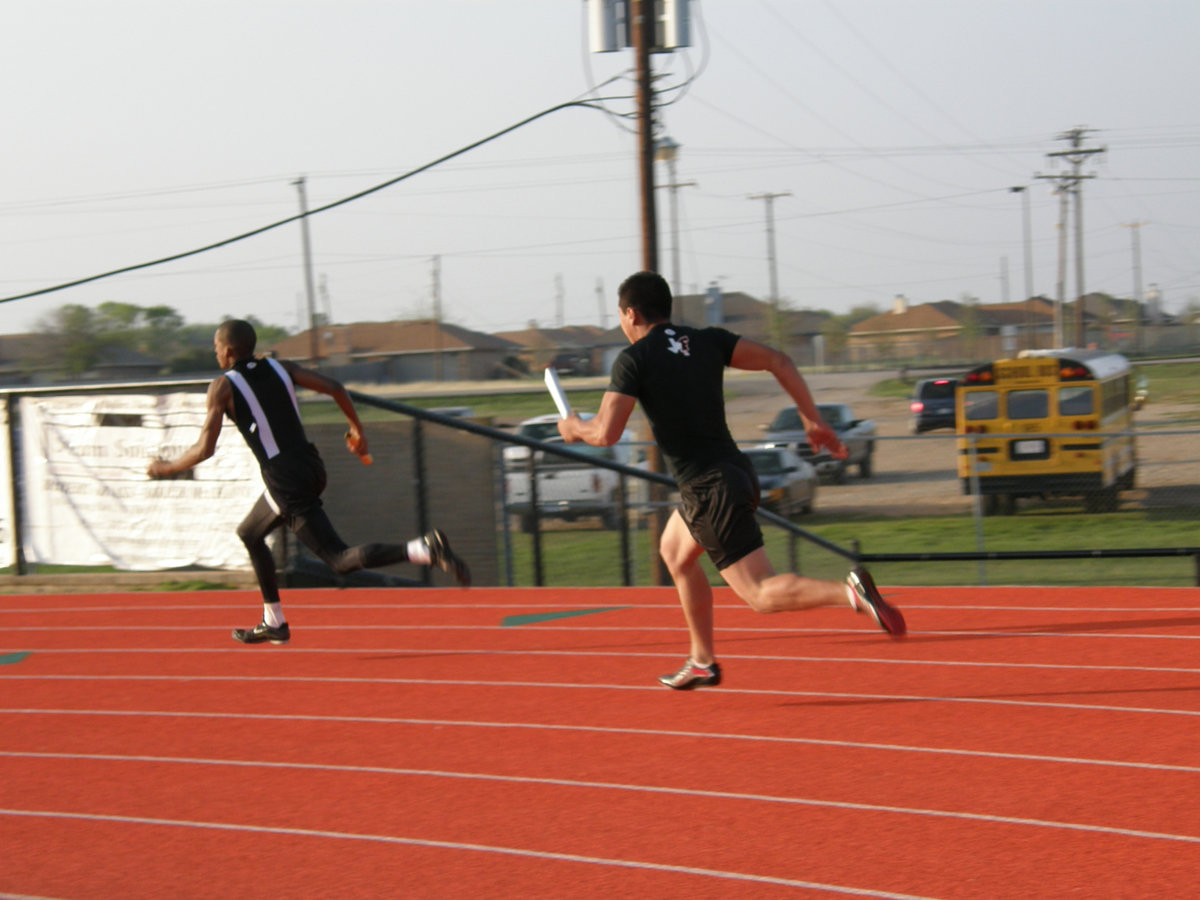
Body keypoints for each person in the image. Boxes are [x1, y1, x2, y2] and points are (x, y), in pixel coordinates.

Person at [557, 272, 905, 690]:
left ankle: (849, 592)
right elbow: (780, 361)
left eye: (620, 317)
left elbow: (606, 434)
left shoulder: (635, 359)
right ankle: (702, 660)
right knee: (674, 552)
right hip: (736, 472)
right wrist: (812, 419)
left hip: (709, 488)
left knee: (759, 593)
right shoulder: (707, 340)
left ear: (630, 314)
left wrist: (573, 427)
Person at [148, 318, 470, 646]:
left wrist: (166, 468)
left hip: (285, 478)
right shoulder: (282, 368)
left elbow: (205, 448)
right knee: (250, 533)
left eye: (216, 347)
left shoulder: (222, 388)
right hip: (310, 464)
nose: (215, 353)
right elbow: (335, 388)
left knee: (339, 559)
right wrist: (357, 431)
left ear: (229, 351)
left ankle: (424, 550)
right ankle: (273, 621)